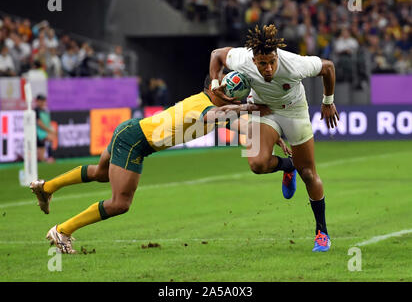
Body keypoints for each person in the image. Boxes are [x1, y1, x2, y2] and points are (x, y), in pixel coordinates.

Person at [30, 74, 292, 254]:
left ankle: (47, 187)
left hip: (131, 130)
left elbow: (239, 125)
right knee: (120, 203)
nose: (232, 98)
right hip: (135, 141)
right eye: (232, 95)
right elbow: (221, 114)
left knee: (100, 173)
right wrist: (249, 108)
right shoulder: (204, 105)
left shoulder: (213, 104)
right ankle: (62, 231)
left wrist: (270, 136)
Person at [209, 24, 339, 252]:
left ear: (277, 56)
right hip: (264, 110)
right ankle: (288, 166)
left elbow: (328, 67)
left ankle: (322, 232)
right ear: (254, 60)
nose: (268, 68)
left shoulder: (294, 64)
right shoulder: (242, 59)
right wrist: (214, 83)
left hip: (294, 111)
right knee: (257, 164)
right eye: (262, 63)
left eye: (272, 62)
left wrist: (328, 101)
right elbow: (216, 55)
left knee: (309, 173)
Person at [34, 95, 56, 163]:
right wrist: (49, 131)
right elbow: (39, 123)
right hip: (38, 133)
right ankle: (50, 157)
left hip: (43, 132)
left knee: (41, 158)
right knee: (50, 138)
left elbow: (47, 122)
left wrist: (50, 130)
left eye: (44, 101)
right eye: (41, 101)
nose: (43, 103)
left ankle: (48, 158)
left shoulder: (45, 110)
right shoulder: (36, 110)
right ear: (37, 101)